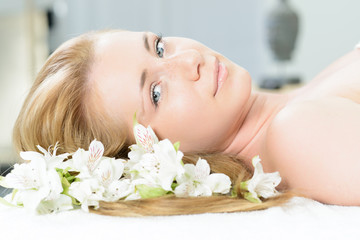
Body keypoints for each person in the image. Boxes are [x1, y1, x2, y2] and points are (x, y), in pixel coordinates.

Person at [12, 30, 360, 216]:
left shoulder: (296, 100)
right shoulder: (298, 133)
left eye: (159, 47)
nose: (190, 59)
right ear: (153, 158)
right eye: (157, 94)